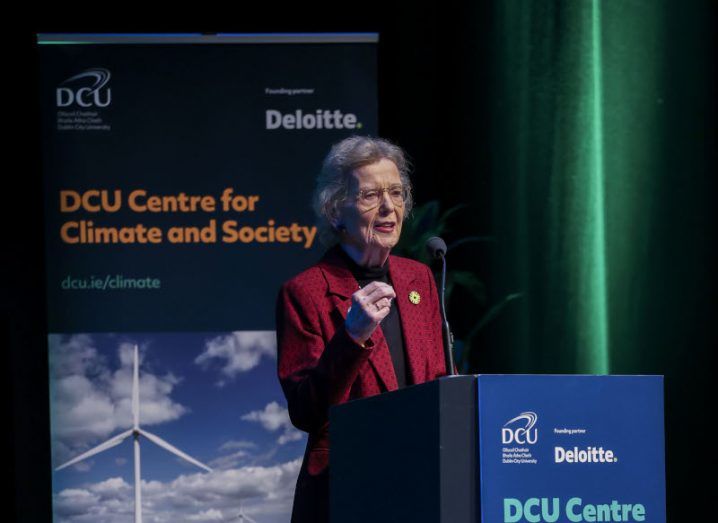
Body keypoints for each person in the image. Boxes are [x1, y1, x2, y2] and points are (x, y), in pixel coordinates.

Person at [276, 136, 447, 523]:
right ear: (336, 211)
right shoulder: (304, 292)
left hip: (423, 484)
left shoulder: (419, 279)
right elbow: (306, 411)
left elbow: (437, 380)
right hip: (349, 491)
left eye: (396, 193)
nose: (389, 207)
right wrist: (350, 338)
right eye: (370, 195)